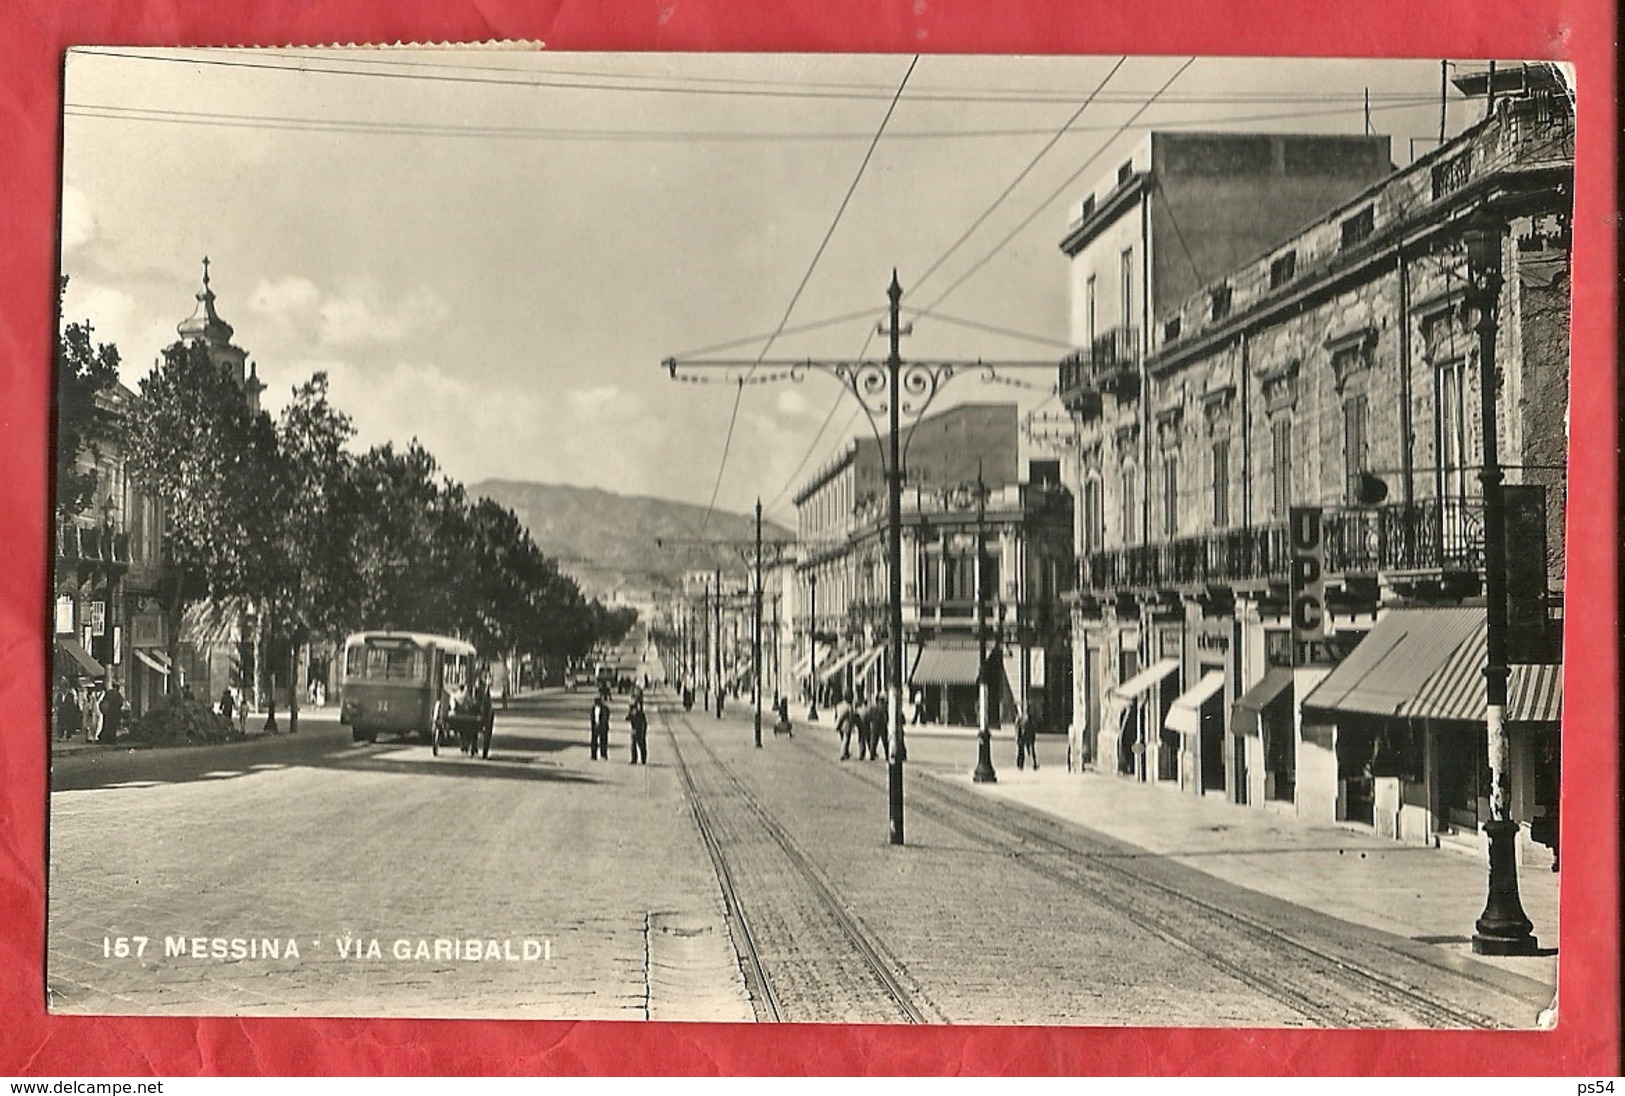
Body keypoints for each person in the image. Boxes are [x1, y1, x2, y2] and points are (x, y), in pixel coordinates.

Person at [98, 679, 126, 745]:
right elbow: (120, 703)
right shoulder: (117, 694)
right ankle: (111, 740)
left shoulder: (109, 693)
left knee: (106, 726)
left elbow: (103, 701)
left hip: (107, 713)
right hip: (115, 713)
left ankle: (103, 739)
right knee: (113, 727)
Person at [865, 693, 890, 761]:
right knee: (885, 742)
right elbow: (887, 718)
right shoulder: (884, 709)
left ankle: (872, 755)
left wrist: (870, 723)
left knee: (874, 741)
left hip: (875, 726)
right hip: (882, 727)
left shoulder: (874, 708)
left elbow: (868, 717)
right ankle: (887, 755)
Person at [835, 693, 859, 761]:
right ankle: (843, 753)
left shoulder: (839, 705)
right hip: (846, 725)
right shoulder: (849, 707)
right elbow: (851, 716)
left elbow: (836, 715)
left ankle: (846, 753)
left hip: (839, 724)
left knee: (843, 739)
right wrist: (853, 725)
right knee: (846, 739)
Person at [589, 689, 612, 760]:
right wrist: (593, 724)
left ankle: (603, 755)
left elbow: (606, 717)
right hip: (595, 726)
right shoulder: (593, 708)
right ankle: (593, 755)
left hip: (603, 727)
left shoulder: (605, 708)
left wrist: (601, 724)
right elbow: (592, 717)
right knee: (594, 741)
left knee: (603, 741)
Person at [627, 697, 649, 764]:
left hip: (638, 731)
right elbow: (627, 718)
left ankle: (638, 759)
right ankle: (639, 759)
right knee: (636, 746)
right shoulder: (636, 713)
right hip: (636, 731)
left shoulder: (638, 713)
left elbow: (643, 723)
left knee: (639, 745)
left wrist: (643, 732)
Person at [1015, 705, 1038, 770]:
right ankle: (1020, 765)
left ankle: (1033, 764)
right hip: (1023, 737)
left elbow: (1033, 729)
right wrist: (1017, 737)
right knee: (1022, 752)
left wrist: (1033, 737)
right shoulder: (1020, 719)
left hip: (1028, 737)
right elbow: (1017, 729)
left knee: (1031, 751)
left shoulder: (1029, 719)